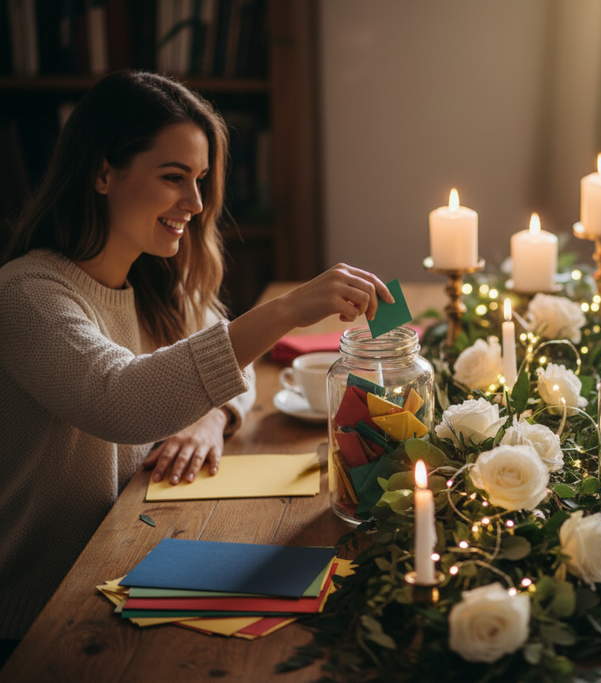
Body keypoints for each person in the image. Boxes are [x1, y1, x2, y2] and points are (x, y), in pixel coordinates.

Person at [0, 71, 394, 648]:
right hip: (36, 617)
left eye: (201, 179)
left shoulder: (153, 281)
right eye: (173, 177)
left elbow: (233, 367)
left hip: (124, 567)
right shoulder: (27, 295)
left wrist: (209, 416)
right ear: (101, 173)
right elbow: (122, 401)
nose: (196, 202)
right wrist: (286, 310)